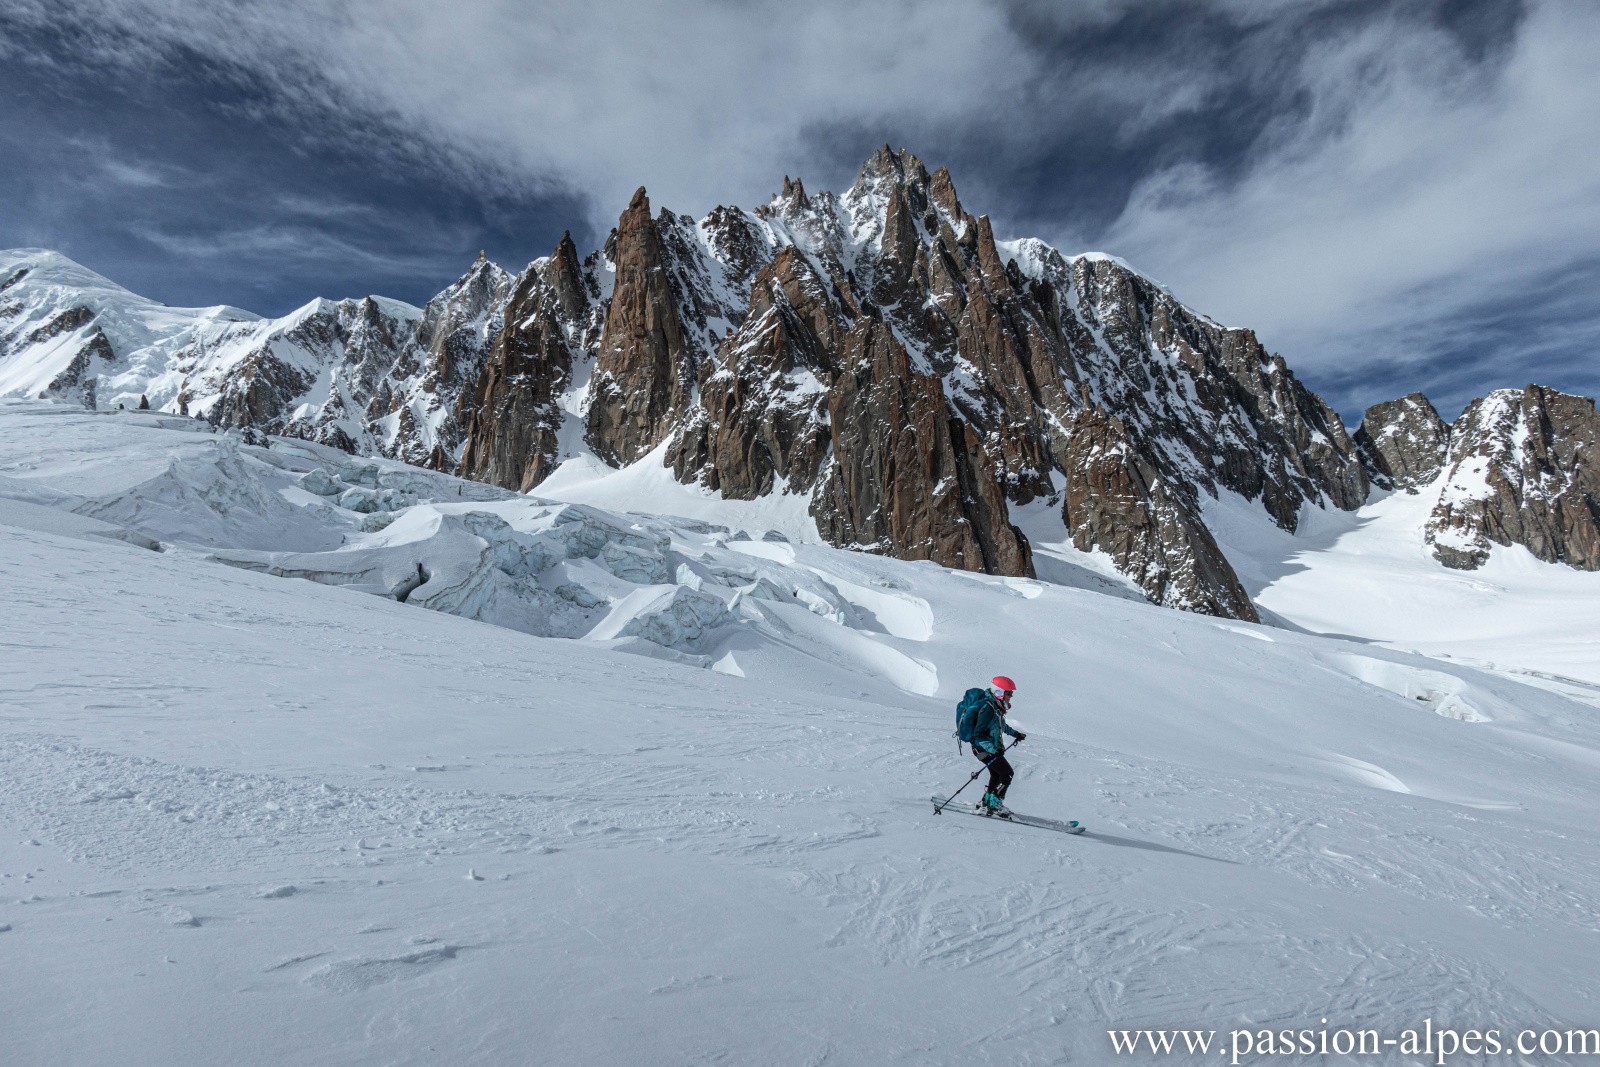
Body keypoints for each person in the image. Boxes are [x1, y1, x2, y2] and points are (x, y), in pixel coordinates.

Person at [972, 675, 1026, 816]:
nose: (1011, 696)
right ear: (1000, 692)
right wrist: (993, 750)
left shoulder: (995, 707)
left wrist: (1016, 734)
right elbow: (978, 734)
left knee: (997, 774)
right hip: (983, 749)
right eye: (1009, 693)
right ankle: (995, 805)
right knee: (1007, 774)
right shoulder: (988, 709)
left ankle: (986, 801)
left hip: (989, 749)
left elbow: (1001, 726)